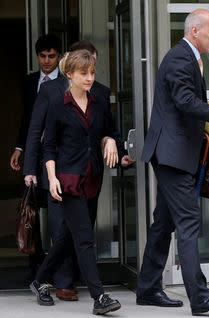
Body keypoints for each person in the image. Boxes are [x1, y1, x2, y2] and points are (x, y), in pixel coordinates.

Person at [137, 9, 209, 316]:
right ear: (195, 31)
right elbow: (185, 102)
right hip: (172, 156)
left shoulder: (188, 57)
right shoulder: (179, 59)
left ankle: (147, 288)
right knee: (189, 222)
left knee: (164, 223)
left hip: (176, 154)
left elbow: (183, 106)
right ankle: (200, 296)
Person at [23, 40, 129, 301]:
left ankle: (39, 280)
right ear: (69, 73)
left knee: (69, 236)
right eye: (84, 73)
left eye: (92, 72)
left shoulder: (99, 100)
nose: (90, 77)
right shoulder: (57, 102)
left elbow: (106, 133)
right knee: (84, 238)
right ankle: (99, 297)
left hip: (91, 177)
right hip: (67, 179)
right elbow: (46, 143)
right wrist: (50, 177)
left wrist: (112, 142)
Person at [10, 34, 62, 172]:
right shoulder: (29, 81)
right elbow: (27, 116)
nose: (46, 60)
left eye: (51, 56)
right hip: (34, 149)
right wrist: (19, 147)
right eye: (42, 56)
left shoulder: (67, 82)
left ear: (59, 57)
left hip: (60, 150)